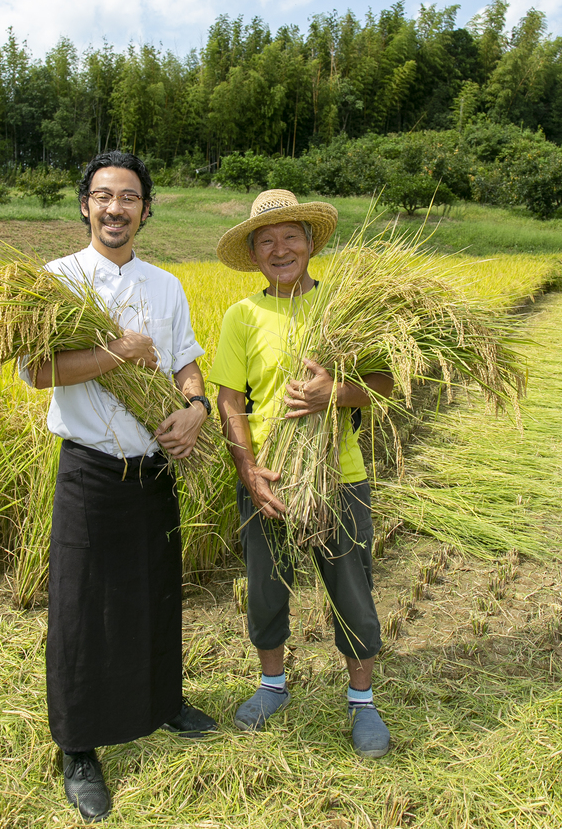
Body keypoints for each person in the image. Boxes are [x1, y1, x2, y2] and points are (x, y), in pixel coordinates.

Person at [20, 151, 217, 823]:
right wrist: (116, 354)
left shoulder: (166, 285)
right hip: (89, 468)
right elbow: (38, 373)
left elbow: (187, 362)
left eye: (128, 197)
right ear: (84, 205)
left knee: (156, 595)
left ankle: (164, 704)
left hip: (154, 469)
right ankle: (77, 747)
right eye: (102, 196)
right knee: (80, 612)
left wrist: (193, 409)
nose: (114, 208)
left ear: (145, 210)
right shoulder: (55, 281)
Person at [209, 189, 393, 758]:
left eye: (291, 236)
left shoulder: (346, 305)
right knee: (265, 589)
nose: (280, 248)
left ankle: (362, 700)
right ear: (254, 253)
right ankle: (272, 685)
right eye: (267, 240)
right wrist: (248, 469)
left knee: (351, 588)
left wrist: (332, 393)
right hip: (267, 478)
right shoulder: (242, 315)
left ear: (311, 244)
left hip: (339, 475)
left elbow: (383, 385)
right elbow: (228, 399)